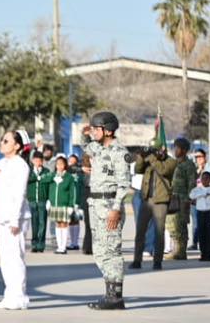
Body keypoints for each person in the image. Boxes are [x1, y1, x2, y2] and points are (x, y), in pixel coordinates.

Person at [82, 110, 132, 310]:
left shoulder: (119, 152)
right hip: (95, 205)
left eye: (96, 128)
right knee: (100, 252)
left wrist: (116, 209)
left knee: (112, 251)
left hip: (109, 206)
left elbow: (124, 184)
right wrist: (85, 133)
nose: (93, 131)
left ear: (108, 130)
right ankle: (110, 292)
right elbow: (86, 147)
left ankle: (115, 297)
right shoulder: (98, 148)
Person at [0, 130, 31, 311]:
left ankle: (20, 297)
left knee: (15, 258)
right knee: (5, 259)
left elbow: (19, 194)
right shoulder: (4, 162)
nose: (2, 142)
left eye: (6, 140)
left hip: (16, 217)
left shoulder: (21, 166)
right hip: (2, 215)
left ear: (17, 146)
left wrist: (15, 220)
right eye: (2, 139)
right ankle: (9, 295)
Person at [130, 136, 175, 270]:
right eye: (154, 149)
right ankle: (137, 260)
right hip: (146, 199)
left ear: (164, 149)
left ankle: (157, 262)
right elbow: (138, 169)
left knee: (159, 233)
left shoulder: (171, 162)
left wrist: (151, 157)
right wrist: (141, 156)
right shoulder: (149, 161)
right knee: (140, 232)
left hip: (161, 201)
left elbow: (163, 170)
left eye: (158, 149)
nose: (156, 152)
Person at [167, 138, 196, 260]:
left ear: (184, 150)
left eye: (177, 148)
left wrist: (189, 199)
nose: (175, 150)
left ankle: (181, 251)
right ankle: (175, 250)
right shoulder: (174, 163)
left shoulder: (188, 165)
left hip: (183, 198)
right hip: (172, 198)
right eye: (174, 148)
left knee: (181, 225)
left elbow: (191, 183)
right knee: (171, 225)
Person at [49, 155, 78, 255]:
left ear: (65, 165)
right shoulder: (53, 176)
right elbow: (49, 187)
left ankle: (63, 247)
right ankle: (59, 246)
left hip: (65, 205)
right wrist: (49, 200)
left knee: (64, 224)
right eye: (57, 164)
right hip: (55, 205)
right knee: (57, 224)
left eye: (61, 164)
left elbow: (72, 192)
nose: (59, 166)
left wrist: (71, 205)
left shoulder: (69, 177)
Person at [26, 150, 52, 253]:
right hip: (32, 200)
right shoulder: (29, 171)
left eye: (39, 160)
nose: (37, 162)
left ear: (42, 161)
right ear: (32, 160)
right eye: (35, 160)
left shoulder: (46, 171)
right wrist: (36, 176)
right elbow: (28, 180)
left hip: (42, 200)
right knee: (34, 223)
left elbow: (49, 183)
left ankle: (41, 244)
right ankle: (34, 244)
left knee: (42, 223)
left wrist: (49, 200)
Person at [188, 171, 210, 262]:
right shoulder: (197, 189)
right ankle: (203, 253)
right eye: (203, 178)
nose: (204, 180)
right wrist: (203, 194)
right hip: (200, 213)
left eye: (206, 178)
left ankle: (208, 254)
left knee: (209, 234)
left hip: (209, 213)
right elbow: (191, 195)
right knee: (201, 234)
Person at [78, 155, 94, 256]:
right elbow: (71, 168)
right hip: (87, 194)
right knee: (88, 223)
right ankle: (87, 247)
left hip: (98, 194)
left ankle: (95, 246)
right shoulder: (82, 168)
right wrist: (82, 169)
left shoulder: (101, 166)